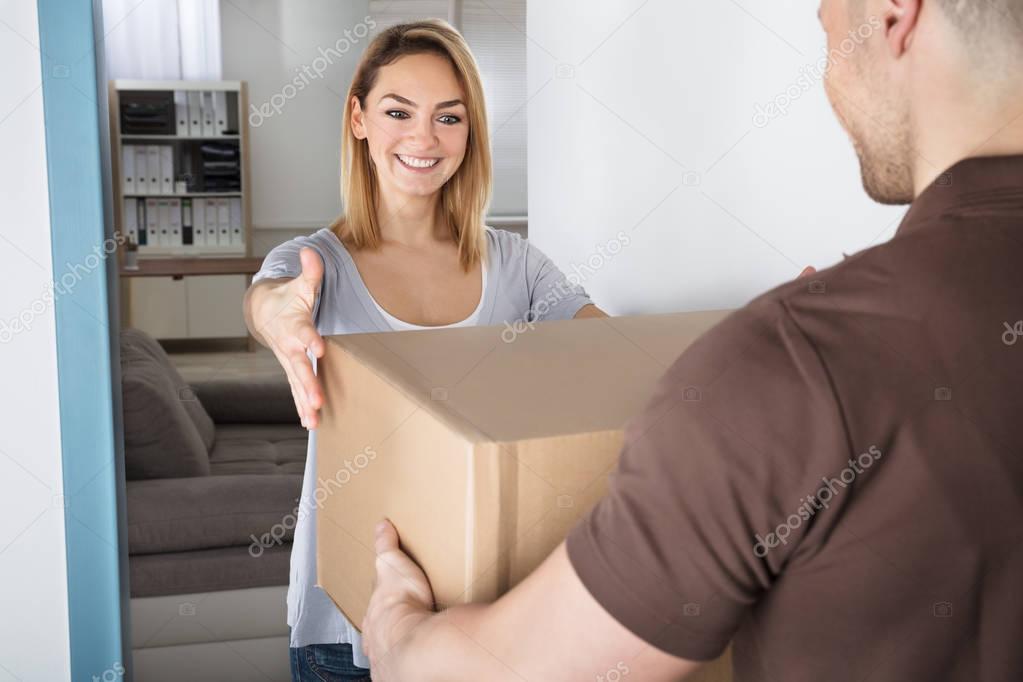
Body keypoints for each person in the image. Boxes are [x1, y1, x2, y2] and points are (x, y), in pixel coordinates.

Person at [362, 0, 1023, 680]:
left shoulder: (797, 367)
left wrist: (399, 634)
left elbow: (509, 672)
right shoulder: (808, 362)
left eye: (825, 18)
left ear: (892, 16)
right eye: (398, 111)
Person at [242, 20, 607, 681]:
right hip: (344, 621)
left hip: (483, 620)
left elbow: (611, 350)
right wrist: (277, 317)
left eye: (448, 117)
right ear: (358, 118)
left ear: (470, 134)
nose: (422, 138)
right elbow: (268, 301)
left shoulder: (515, 265)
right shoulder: (313, 263)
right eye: (397, 112)